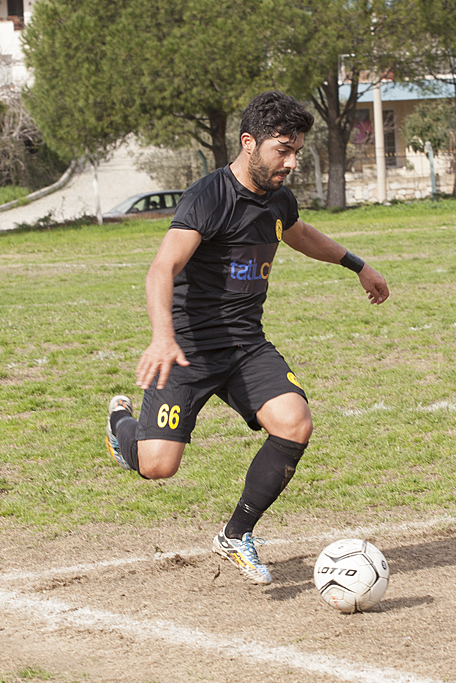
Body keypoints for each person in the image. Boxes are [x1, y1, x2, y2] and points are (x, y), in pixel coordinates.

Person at [104, 91, 390, 582]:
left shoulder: (279, 198)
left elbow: (298, 234)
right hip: (187, 349)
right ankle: (121, 428)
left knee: (295, 422)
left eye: (297, 150)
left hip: (244, 345)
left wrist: (355, 264)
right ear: (249, 142)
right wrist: (161, 337)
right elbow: (162, 268)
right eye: (283, 149)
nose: (292, 162)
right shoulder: (208, 196)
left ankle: (236, 535)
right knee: (157, 467)